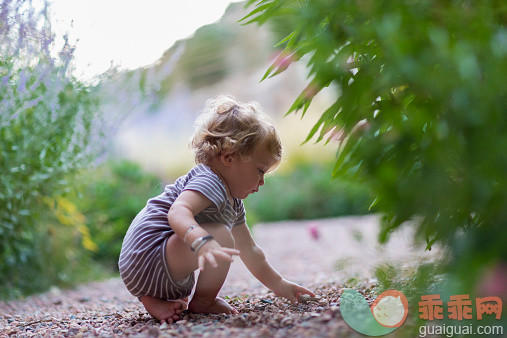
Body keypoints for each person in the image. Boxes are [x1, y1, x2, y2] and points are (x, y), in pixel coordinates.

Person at [118, 95, 315, 323]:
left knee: (222, 239)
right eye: (260, 171)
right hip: (146, 255)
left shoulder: (232, 201)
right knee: (220, 237)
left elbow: (250, 249)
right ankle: (203, 300)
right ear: (229, 157)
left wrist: (280, 284)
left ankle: (155, 299)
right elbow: (178, 212)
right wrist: (201, 240)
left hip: (152, 267)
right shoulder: (209, 180)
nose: (262, 182)